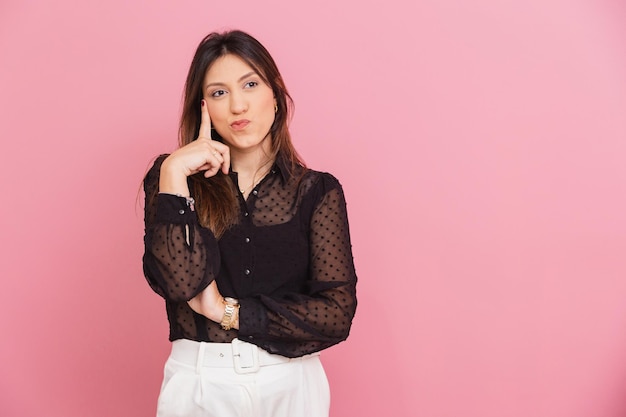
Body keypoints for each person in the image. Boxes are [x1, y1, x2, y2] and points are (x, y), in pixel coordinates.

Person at [142, 30, 358, 417]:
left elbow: (336, 314)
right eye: (219, 93)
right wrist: (174, 170)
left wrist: (227, 311)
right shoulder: (173, 178)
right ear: (203, 106)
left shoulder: (316, 191)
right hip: (199, 382)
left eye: (250, 84)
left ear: (275, 95)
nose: (238, 105)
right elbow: (178, 283)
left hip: (292, 384)